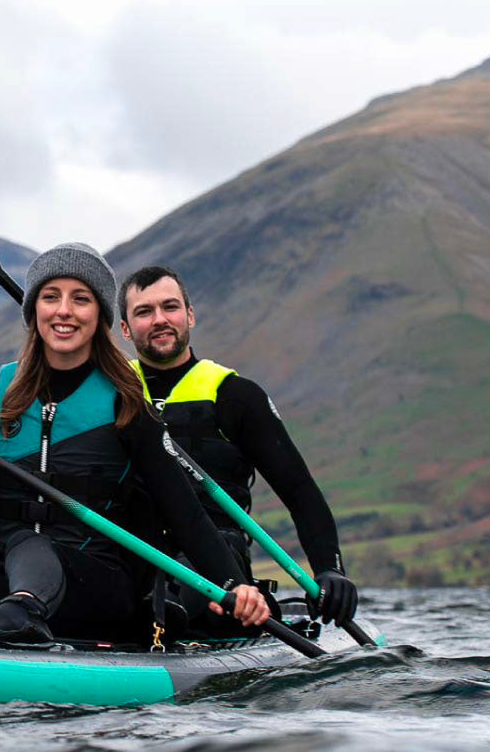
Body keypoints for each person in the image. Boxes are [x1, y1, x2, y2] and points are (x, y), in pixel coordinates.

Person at [0, 244, 270, 644]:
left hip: (97, 583)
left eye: (80, 299)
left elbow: (185, 515)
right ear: (34, 311)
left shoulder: (125, 404)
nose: (64, 310)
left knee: (31, 543)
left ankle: (24, 611)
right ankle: (11, 612)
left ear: (100, 316)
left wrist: (235, 585)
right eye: (51, 297)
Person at [117, 265, 358, 631]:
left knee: (188, 581)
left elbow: (298, 490)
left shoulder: (236, 396)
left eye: (170, 307)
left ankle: (171, 614)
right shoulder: (110, 393)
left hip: (217, 559)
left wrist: (328, 568)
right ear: (124, 328)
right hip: (131, 549)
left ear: (190, 315)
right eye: (144, 312)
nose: (160, 320)